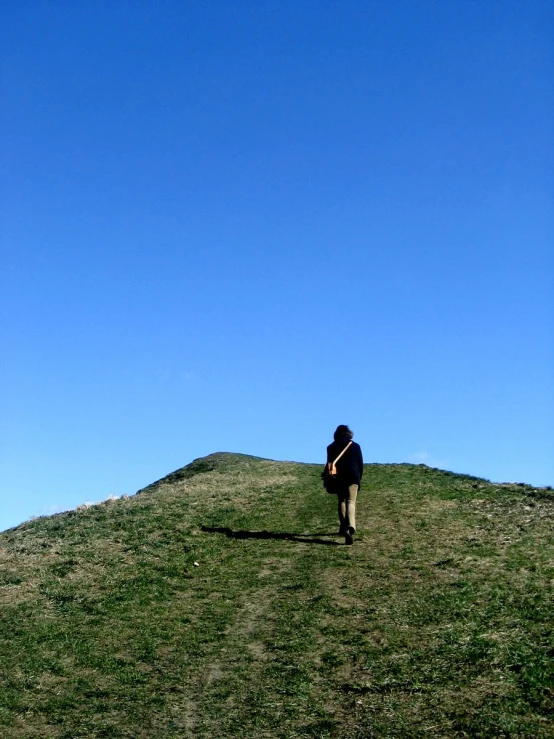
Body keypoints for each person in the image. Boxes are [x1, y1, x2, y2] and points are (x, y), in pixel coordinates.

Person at [325, 425, 363, 545]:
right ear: (348, 433)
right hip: (353, 476)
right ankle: (350, 526)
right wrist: (358, 479)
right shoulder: (355, 446)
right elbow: (360, 464)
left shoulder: (331, 447)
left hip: (339, 478)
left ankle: (343, 527)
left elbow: (329, 464)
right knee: (351, 501)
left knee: (341, 500)